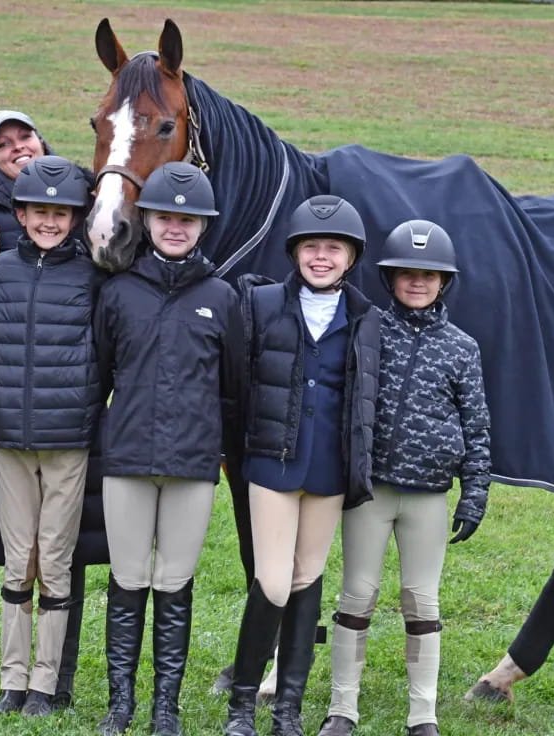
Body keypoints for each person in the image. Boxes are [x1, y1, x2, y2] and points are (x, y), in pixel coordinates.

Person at [0, 111, 106, 709]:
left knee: (58, 562)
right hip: (8, 431)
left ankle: (48, 682)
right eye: (38, 212)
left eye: (60, 213)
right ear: (19, 213)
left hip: (68, 434)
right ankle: (12, 679)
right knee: (16, 561)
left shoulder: (91, 272)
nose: (48, 220)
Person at [316, 220, 491, 736]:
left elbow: (476, 423)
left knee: (421, 598)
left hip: (428, 495)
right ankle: (342, 708)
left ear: (444, 282)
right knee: (357, 595)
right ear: (390, 277)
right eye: (408, 273)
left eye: (430, 275)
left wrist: (475, 489)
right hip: (371, 490)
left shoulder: (462, 347)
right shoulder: (366, 329)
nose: (418, 282)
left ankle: (423, 714)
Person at [93, 162, 244, 736]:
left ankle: (166, 707)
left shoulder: (222, 298)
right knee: (129, 579)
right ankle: (121, 703)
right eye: (166, 217)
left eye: (188, 219)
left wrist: (223, 454)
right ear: (148, 219)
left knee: (174, 582)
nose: (175, 227)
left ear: (202, 227)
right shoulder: (118, 293)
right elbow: (101, 373)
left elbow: (233, 389)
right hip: (128, 458)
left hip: (192, 464)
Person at [224, 195, 381, 736]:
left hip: (328, 470)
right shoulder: (261, 304)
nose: (321, 257)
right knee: (270, 580)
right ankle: (242, 703)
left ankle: (288, 706)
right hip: (272, 463)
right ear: (295, 253)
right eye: (311, 247)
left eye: (332, 248)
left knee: (306, 578)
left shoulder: (365, 318)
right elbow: (239, 383)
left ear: (350, 257)